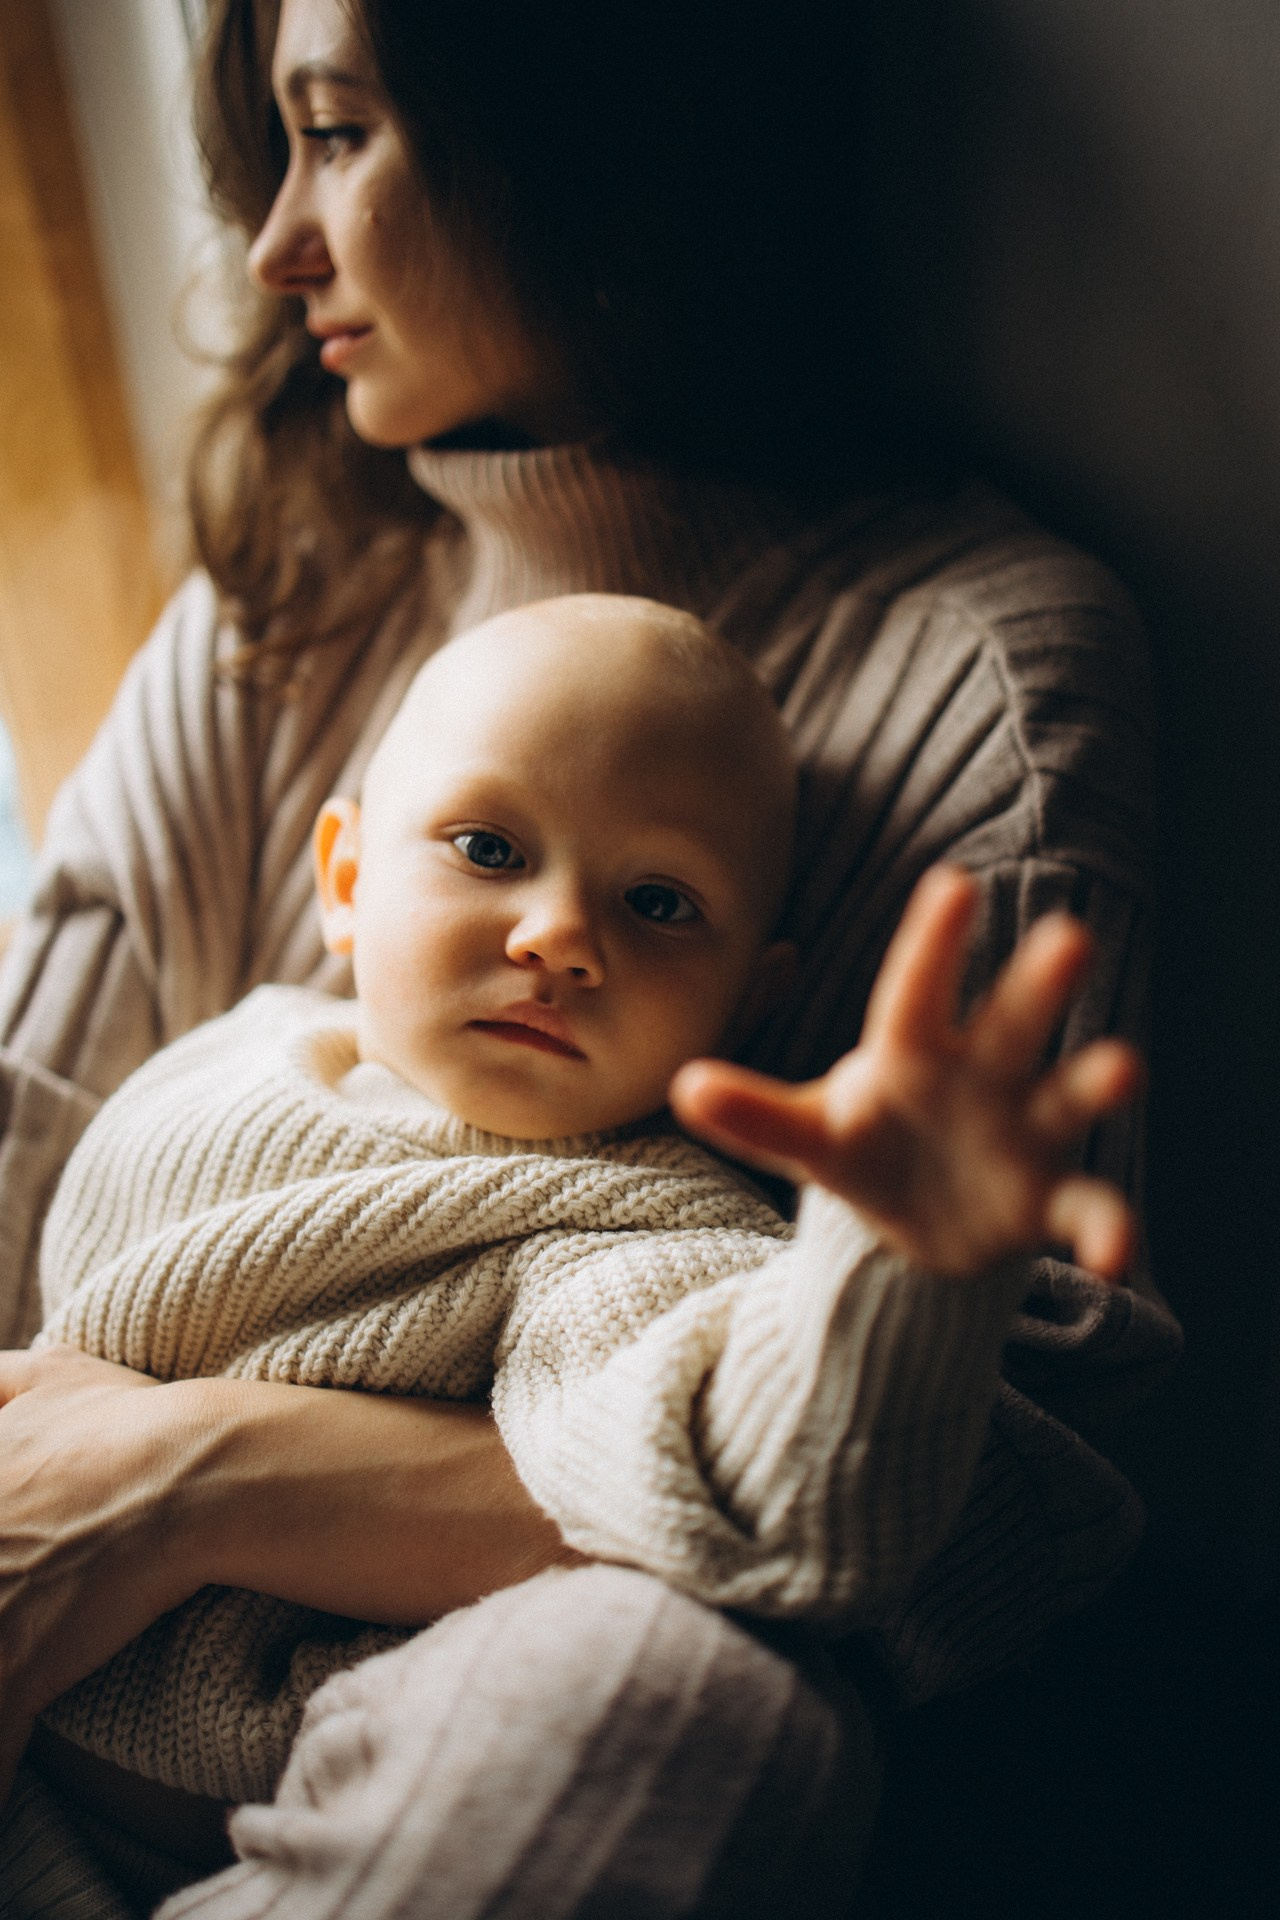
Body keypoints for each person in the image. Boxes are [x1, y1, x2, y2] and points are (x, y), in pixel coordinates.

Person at [0, 1, 1181, 1915]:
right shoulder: (280, 593)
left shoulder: (979, 671)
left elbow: (967, 1507)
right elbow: (18, 1154)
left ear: (581, 123)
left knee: (678, 1710)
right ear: (348, 873)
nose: (281, 240)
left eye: (345, 133)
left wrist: (180, 1475)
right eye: (476, 853)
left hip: (413, 1728)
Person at [31, 593, 1139, 1821]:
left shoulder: (622, 1222)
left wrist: (891, 1268)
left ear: (748, 1001)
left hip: (255, 1803)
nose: (559, 937)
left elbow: (741, 1472)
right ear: (344, 879)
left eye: (658, 904)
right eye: (488, 851)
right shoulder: (231, 1048)